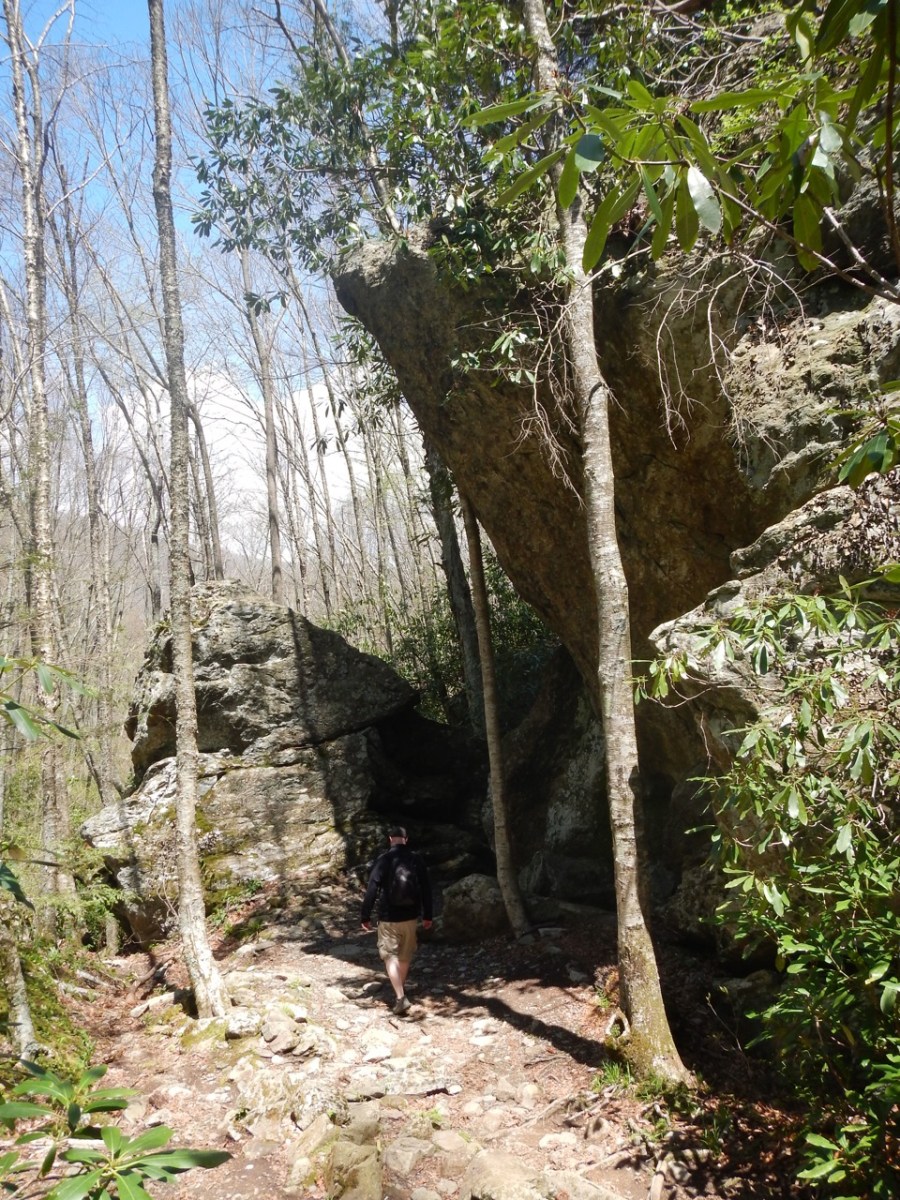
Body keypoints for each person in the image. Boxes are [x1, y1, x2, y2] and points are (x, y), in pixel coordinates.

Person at [360, 825, 433, 1015]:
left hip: (388, 917)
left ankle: (400, 997)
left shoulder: (383, 859)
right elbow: (426, 888)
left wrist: (365, 915)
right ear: (406, 839)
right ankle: (400, 992)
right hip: (410, 917)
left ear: (390, 839)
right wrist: (428, 915)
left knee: (390, 956)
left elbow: (372, 888)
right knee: (404, 956)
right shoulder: (416, 859)